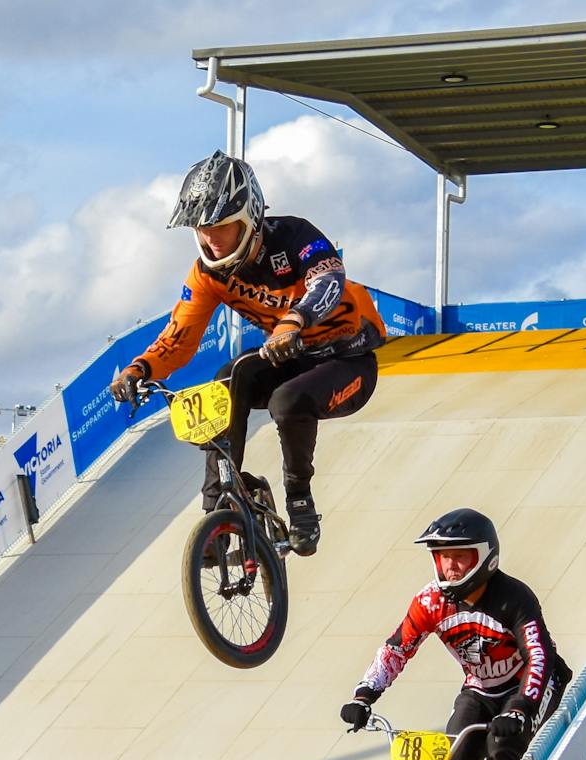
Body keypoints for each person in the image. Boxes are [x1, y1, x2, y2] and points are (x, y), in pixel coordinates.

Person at [110, 151, 386, 555]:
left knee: (286, 401)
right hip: (287, 357)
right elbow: (181, 335)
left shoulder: (294, 237)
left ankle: (300, 501)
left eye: (221, 227)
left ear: (251, 217)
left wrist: (295, 321)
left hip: (348, 358)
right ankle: (216, 508)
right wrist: (140, 369)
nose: (210, 239)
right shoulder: (207, 273)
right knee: (225, 380)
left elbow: (329, 280)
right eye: (202, 229)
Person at [339, 509, 571, 760]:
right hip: (479, 688)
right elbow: (396, 649)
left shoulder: (515, 597)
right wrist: (363, 695)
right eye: (443, 557)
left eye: (460, 556)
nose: (451, 566)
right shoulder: (429, 601)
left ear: (486, 558)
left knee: (502, 748)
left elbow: (539, 656)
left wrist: (520, 708)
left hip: (529, 685)